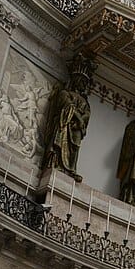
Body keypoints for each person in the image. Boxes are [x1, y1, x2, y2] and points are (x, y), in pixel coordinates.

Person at [41, 53, 95, 182]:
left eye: (85, 83)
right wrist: (79, 118)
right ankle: (55, 163)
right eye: (81, 81)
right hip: (65, 124)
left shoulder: (84, 100)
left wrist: (82, 120)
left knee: (74, 148)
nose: (83, 85)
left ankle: (70, 169)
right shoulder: (65, 92)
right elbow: (67, 105)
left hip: (76, 129)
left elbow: (87, 112)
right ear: (75, 80)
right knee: (60, 142)